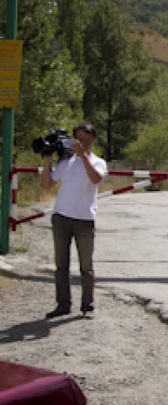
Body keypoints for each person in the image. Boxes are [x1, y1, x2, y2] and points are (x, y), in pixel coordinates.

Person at [41, 123, 107, 318]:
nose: (81, 144)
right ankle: (63, 304)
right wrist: (47, 162)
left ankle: (88, 304)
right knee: (61, 264)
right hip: (61, 217)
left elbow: (95, 179)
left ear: (92, 141)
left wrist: (84, 156)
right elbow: (46, 184)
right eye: (78, 140)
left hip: (84, 219)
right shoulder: (65, 163)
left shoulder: (98, 162)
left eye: (85, 141)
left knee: (86, 265)